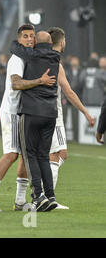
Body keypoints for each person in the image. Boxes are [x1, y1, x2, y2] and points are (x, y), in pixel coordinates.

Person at [0, 24, 55, 212]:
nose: (30, 39)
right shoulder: (16, 59)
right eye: (25, 37)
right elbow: (16, 84)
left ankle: (20, 201)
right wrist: (40, 81)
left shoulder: (29, 57)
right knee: (12, 153)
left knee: (25, 155)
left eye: (32, 36)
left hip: (23, 112)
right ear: (19, 40)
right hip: (12, 111)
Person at [10, 31, 61, 212]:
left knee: (29, 154)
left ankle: (38, 196)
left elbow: (13, 46)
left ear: (36, 42)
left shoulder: (31, 54)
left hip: (32, 111)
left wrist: (24, 43)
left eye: (32, 38)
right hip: (50, 113)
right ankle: (50, 196)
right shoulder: (56, 56)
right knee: (43, 156)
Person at [47, 27, 95, 207]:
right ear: (62, 41)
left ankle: (43, 190)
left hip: (39, 112)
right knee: (58, 153)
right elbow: (68, 91)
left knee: (57, 154)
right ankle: (48, 197)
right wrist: (85, 112)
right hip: (54, 113)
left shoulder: (39, 59)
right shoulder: (55, 63)